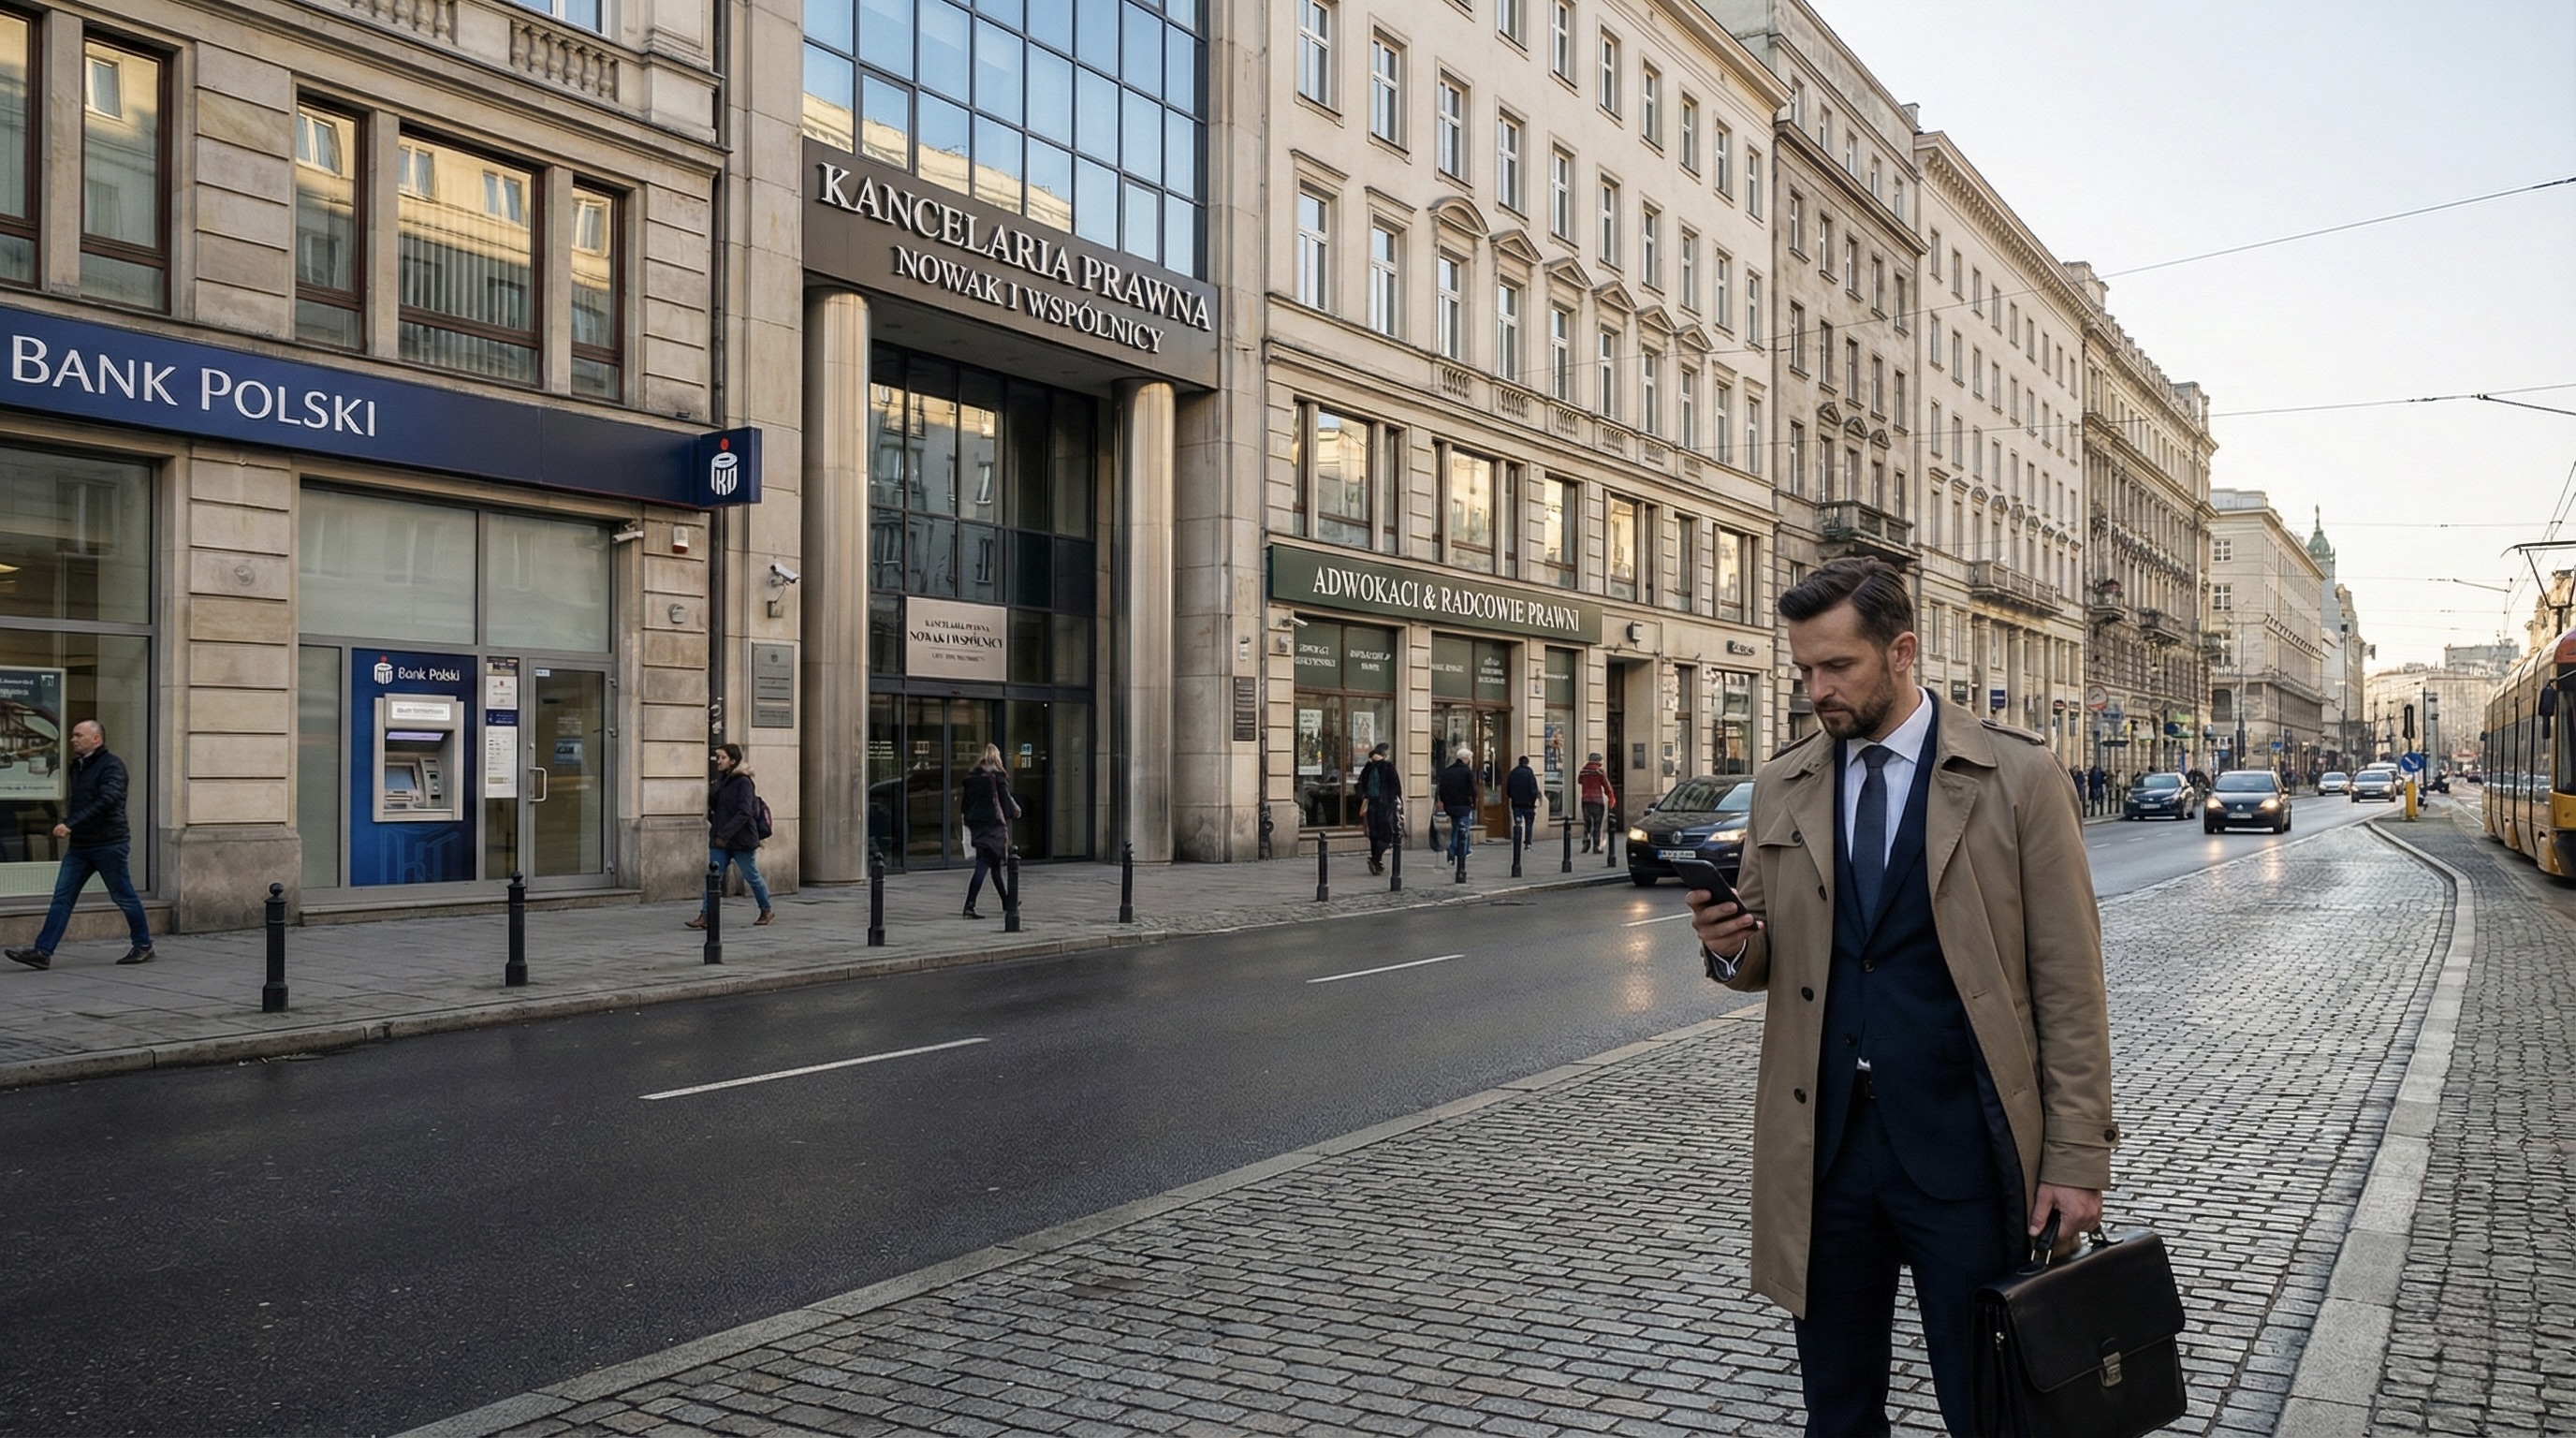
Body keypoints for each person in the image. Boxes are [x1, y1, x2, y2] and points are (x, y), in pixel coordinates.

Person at [1689, 557, 2115, 1438]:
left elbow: (2070, 988)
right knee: (1837, 1412)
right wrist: (1733, 949)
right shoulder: (1784, 781)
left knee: (1988, 1406)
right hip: (1827, 1150)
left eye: (1837, 666)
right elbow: (1767, 949)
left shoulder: (2018, 778)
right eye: (1804, 669)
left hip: (1963, 1152)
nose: (1817, 689)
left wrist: (2075, 1162)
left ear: (1903, 652)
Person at [7, 720, 154, 970]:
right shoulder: (80, 766)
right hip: (81, 846)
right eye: (73, 735)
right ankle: (42, 952)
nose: (73, 739)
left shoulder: (111, 766)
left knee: (124, 897)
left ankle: (143, 945)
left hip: (109, 843)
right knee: (62, 898)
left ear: (96, 739)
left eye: (79, 735)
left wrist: (70, 823)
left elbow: (108, 799)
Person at [685, 744, 773, 930]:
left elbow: (744, 812)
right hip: (720, 840)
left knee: (751, 876)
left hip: (741, 840)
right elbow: (717, 809)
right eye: (718, 758)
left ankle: (766, 909)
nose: (719, 761)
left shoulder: (744, 782)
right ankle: (705, 915)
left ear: (732, 761)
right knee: (714, 877)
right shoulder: (723, 781)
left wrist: (725, 833)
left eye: (722, 758)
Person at [959, 743, 1019, 918]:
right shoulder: (997, 778)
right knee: (984, 864)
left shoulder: (971, 779)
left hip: (977, 826)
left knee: (994, 866)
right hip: (994, 827)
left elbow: (965, 805)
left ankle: (1007, 902)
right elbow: (1006, 804)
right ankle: (969, 905)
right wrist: (1015, 812)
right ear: (997, 758)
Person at [1357, 741, 1402, 876]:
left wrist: (1365, 796)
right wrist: (1398, 803)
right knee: (1387, 834)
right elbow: (1396, 787)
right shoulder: (1388, 767)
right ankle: (1375, 859)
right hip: (1385, 805)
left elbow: (1361, 784)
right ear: (1385, 754)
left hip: (1371, 804)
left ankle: (1376, 863)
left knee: (1374, 834)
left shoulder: (1368, 766)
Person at [1435, 746, 1480, 865]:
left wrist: (1445, 801)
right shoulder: (1467, 772)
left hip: (1450, 806)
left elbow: (1442, 789)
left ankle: (1461, 852)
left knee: (1455, 829)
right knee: (1462, 830)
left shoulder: (1448, 771)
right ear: (1466, 759)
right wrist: (1474, 803)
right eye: (1469, 758)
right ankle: (1454, 851)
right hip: (1463, 805)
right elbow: (1473, 789)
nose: (1470, 761)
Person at [1577, 753, 1617, 852]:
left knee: (1587, 823)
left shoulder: (1583, 771)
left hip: (1585, 800)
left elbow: (1579, 781)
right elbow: (1607, 786)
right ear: (1598, 761)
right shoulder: (1599, 771)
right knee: (1597, 825)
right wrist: (1612, 799)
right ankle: (1596, 846)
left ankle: (1586, 843)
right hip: (1597, 801)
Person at [1505, 755, 1541, 849]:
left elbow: (1508, 789)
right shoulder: (1529, 773)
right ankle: (1527, 844)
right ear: (1527, 762)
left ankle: (1517, 841)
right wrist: (1533, 802)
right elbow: (1534, 790)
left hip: (1516, 803)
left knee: (1517, 823)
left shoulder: (1513, 772)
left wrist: (1513, 797)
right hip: (1528, 804)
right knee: (1529, 824)